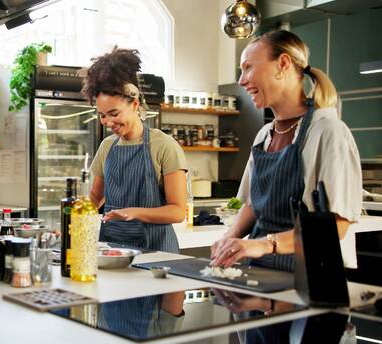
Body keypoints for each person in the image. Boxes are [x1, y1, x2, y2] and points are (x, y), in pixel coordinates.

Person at [210, 30, 362, 271]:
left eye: (248, 67)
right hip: (260, 270)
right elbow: (252, 203)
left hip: (311, 276)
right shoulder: (264, 136)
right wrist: (230, 238)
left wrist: (266, 244)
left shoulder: (328, 132)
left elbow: (338, 225)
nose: (241, 81)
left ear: (283, 64)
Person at [83, 47, 188, 253]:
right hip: (113, 250)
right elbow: (94, 199)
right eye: (102, 115)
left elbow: (177, 211)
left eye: (114, 113)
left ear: (134, 104)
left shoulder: (164, 145)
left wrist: (134, 213)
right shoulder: (107, 147)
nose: (108, 122)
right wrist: (71, 223)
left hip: (157, 251)